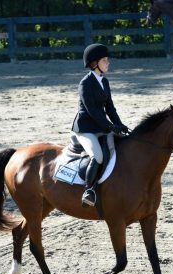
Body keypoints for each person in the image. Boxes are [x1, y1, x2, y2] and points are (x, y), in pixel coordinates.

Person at [71, 43, 129, 207]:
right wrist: (111, 127)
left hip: (100, 126)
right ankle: (89, 191)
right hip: (85, 128)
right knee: (98, 155)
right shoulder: (85, 83)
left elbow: (110, 108)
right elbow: (92, 111)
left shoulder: (104, 81)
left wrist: (119, 124)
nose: (108, 62)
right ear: (94, 63)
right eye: (105, 60)